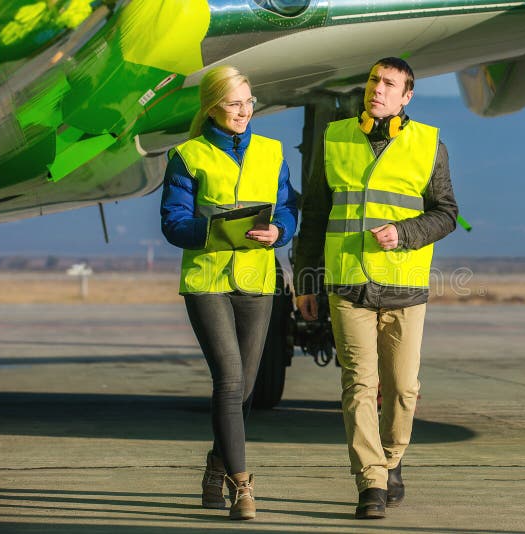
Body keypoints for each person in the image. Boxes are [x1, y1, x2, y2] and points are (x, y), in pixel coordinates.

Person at [293, 57, 457, 519]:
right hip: (347, 282)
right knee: (359, 384)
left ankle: (391, 458)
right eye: (372, 80)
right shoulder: (334, 138)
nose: (377, 89)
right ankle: (370, 481)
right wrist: (305, 278)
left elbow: (446, 213)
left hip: (404, 285)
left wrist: (403, 233)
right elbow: (315, 214)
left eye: (388, 84)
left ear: (406, 96)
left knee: (403, 389)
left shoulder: (429, 144)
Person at [160, 65, 297, 521]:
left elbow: (289, 208)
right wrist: (214, 229)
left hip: (257, 281)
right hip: (208, 281)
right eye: (234, 103)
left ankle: (214, 469)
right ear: (212, 107)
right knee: (230, 380)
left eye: (249, 102)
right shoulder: (187, 156)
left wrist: (279, 231)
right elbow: (174, 222)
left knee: (246, 388)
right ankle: (242, 485)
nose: (244, 111)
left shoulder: (272, 152)